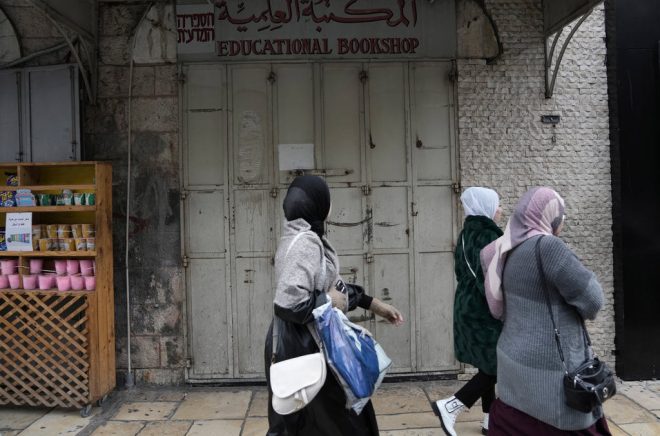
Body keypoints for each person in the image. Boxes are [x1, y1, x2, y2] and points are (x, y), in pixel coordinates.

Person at [265, 175, 404, 436]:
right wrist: (329, 301)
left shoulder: (303, 236)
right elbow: (289, 303)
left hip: (304, 341)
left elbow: (333, 288)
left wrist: (373, 304)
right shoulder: (305, 242)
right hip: (305, 345)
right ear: (318, 204)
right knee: (339, 419)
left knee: (306, 422)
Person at [480, 187, 611, 435]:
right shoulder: (548, 247)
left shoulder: (504, 249)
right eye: (560, 214)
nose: (562, 220)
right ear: (549, 215)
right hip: (549, 373)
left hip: (513, 365)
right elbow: (593, 300)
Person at [431, 187, 504, 436]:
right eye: (497, 204)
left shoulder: (465, 233)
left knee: (487, 362)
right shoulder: (490, 236)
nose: (500, 209)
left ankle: (489, 420)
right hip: (484, 310)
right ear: (486, 207)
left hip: (465, 306)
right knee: (496, 364)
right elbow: (491, 279)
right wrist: (502, 307)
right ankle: (452, 406)